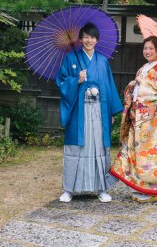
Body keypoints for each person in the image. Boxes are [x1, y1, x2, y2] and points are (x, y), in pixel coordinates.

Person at [56, 22, 123, 203]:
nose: (89, 40)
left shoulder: (102, 61)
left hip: (99, 111)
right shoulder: (71, 58)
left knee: (98, 147)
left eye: (92, 37)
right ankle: (69, 189)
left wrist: (111, 112)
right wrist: (76, 80)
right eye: (85, 36)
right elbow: (61, 81)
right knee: (76, 148)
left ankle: (102, 188)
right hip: (79, 110)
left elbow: (109, 87)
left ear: (97, 40)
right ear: (80, 39)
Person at [108, 35, 157, 203]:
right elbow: (138, 88)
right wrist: (133, 86)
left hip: (150, 119)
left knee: (148, 153)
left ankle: (151, 190)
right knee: (135, 150)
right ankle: (142, 186)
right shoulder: (144, 68)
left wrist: (144, 83)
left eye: (151, 48)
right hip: (138, 116)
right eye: (145, 48)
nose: (147, 51)